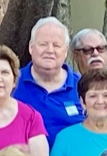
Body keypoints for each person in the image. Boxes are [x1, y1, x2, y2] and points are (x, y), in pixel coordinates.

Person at [14, 17, 86, 145]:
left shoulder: (83, 86)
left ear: (65, 51)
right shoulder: (12, 83)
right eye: (43, 44)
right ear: (31, 48)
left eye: (56, 45)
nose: (50, 50)